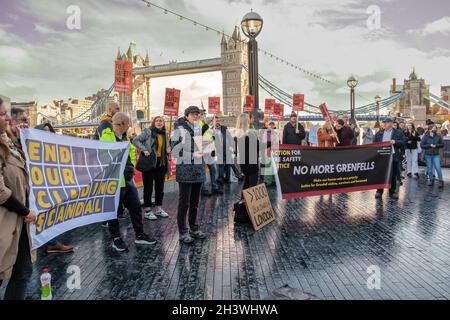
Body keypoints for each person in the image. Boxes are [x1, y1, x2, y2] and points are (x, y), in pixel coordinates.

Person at [100, 112, 157, 251]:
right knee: (113, 211)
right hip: (114, 180)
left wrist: (130, 166)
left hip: (127, 179)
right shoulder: (106, 138)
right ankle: (116, 238)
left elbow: (130, 152)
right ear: (121, 124)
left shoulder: (125, 137)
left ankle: (140, 234)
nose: (129, 126)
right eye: (128, 124)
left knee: (136, 207)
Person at [0, 98, 36, 300]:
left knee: (23, 271)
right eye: (2, 114)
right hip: (6, 220)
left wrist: (23, 138)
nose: (6, 117)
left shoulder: (9, 142)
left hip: (19, 223)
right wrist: (24, 210)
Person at [35, 123, 75, 253]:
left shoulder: (53, 148)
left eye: (50, 132)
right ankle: (52, 243)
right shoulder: (36, 149)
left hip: (53, 186)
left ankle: (50, 241)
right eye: (45, 132)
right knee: (47, 214)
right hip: (43, 188)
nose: (49, 134)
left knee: (53, 214)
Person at [172, 106, 207, 244]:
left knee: (195, 203)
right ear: (186, 116)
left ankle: (194, 228)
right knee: (184, 203)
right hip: (186, 170)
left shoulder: (198, 129)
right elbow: (175, 151)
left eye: (197, 115)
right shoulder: (178, 130)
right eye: (193, 115)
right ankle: (183, 232)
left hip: (198, 170)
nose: (195, 117)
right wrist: (192, 154)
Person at [94, 102, 126, 223]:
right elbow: (108, 144)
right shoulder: (105, 123)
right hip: (108, 164)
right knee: (109, 192)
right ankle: (106, 219)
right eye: (117, 108)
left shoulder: (110, 122)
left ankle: (115, 214)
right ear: (109, 109)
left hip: (114, 163)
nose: (119, 110)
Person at [132, 116, 169, 220]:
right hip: (149, 163)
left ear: (163, 123)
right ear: (153, 122)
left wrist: (168, 148)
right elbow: (135, 140)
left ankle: (158, 209)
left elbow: (165, 147)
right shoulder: (148, 132)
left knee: (159, 188)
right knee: (148, 188)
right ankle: (148, 211)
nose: (159, 122)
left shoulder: (164, 133)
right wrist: (144, 149)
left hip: (160, 163)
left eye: (161, 121)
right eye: (157, 121)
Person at [374, 118, 405, 199]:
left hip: (393, 157)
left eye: (388, 123)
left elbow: (403, 142)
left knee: (393, 175)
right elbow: (374, 143)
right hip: (382, 157)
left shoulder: (398, 132)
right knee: (380, 175)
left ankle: (392, 192)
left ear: (391, 124)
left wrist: (395, 142)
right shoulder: (379, 133)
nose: (386, 124)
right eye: (386, 123)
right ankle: (379, 191)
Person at [199, 109, 222, 196]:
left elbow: (210, 137)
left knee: (213, 169)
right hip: (203, 151)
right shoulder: (197, 124)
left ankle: (214, 187)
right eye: (202, 114)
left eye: (204, 113)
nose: (204, 115)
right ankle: (204, 189)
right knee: (203, 171)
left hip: (210, 150)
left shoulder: (205, 124)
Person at [236, 113, 260, 192]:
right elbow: (258, 146)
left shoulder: (238, 134)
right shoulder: (250, 134)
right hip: (252, 163)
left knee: (246, 184)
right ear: (247, 121)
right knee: (252, 186)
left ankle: (242, 202)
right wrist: (270, 143)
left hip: (243, 164)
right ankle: (251, 204)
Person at [212, 116, 234, 184]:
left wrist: (232, 146)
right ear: (213, 122)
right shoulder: (211, 130)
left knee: (228, 164)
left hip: (227, 148)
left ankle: (227, 179)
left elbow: (230, 138)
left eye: (218, 120)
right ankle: (221, 178)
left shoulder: (224, 128)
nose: (217, 122)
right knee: (220, 164)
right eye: (215, 120)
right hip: (219, 150)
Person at [261, 121, 280, 186]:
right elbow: (264, 142)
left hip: (275, 152)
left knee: (274, 167)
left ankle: (274, 180)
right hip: (268, 152)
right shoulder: (265, 133)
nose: (271, 126)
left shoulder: (275, 133)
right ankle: (267, 181)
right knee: (268, 167)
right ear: (268, 126)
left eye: (272, 125)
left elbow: (277, 142)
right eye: (270, 125)